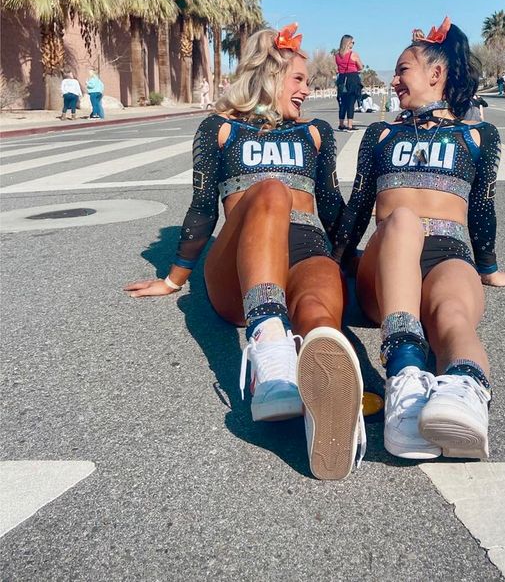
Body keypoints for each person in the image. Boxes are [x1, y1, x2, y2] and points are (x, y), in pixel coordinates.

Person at [124, 25, 365, 481]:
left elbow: (333, 207)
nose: (306, 90)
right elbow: (201, 208)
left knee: (317, 312)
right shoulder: (219, 129)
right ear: (269, 77)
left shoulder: (314, 132)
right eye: (298, 79)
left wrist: (360, 263)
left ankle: (324, 398)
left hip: (308, 248)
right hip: (238, 272)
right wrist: (174, 278)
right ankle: (270, 350)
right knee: (271, 191)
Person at [334, 16, 505, 463]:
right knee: (402, 220)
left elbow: (481, 209)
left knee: (454, 314)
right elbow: (359, 206)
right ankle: (404, 377)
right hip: (386, 261)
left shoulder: (478, 136)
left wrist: (490, 270)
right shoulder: (381, 133)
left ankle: (464, 394)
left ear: (435, 75)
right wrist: (334, 261)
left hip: (449, 254)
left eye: (403, 69)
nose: (394, 79)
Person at [334, 34, 364, 131]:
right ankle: (350, 125)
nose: (353, 44)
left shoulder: (337, 55)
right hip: (352, 79)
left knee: (342, 103)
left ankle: (341, 123)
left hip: (342, 79)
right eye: (352, 42)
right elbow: (360, 67)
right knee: (351, 102)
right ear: (348, 43)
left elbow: (337, 68)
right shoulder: (353, 54)